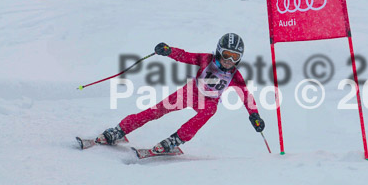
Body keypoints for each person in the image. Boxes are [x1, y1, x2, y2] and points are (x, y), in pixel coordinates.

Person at [96, 33, 265, 153]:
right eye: (227, 54)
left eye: (234, 57)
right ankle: (120, 130)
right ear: (219, 51)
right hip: (191, 92)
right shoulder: (206, 59)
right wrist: (169, 51)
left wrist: (254, 115)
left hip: (209, 101)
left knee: (210, 110)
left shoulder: (235, 75)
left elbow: (246, 96)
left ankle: (176, 140)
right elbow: (184, 56)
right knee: (157, 111)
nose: (229, 61)